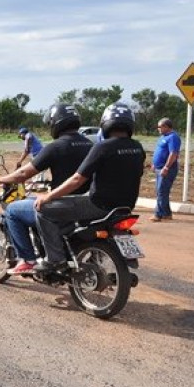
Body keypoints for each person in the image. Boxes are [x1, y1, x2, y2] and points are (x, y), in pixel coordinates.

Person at [33, 103, 146, 272]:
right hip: (125, 208)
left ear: (105, 123)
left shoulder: (103, 147)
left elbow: (77, 179)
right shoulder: (137, 147)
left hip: (98, 205)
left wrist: (48, 197)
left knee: (43, 210)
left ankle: (55, 259)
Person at [0, 104, 93, 274]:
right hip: (84, 204)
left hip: (61, 205)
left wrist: (0, 179)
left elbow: (23, 173)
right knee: (33, 203)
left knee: (13, 211)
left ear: (56, 123)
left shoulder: (56, 146)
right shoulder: (90, 145)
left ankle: (28, 260)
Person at [151, 117, 181, 222]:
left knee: (161, 191)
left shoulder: (173, 137)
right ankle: (167, 214)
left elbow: (173, 153)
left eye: (160, 127)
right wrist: (154, 164)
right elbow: (159, 151)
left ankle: (158, 214)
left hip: (167, 169)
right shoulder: (163, 137)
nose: (158, 129)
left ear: (166, 126)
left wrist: (166, 167)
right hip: (159, 168)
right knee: (161, 192)